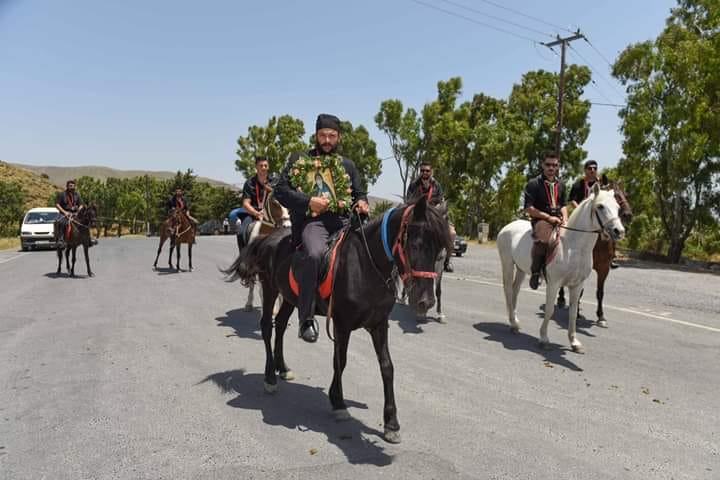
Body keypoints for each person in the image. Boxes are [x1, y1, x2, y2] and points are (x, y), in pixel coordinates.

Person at [274, 113, 369, 343]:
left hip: (342, 222)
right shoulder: (300, 159)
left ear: (339, 137)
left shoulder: (348, 165)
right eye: (323, 135)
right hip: (312, 223)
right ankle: (306, 318)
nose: (327, 140)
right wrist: (308, 202)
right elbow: (280, 190)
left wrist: (363, 203)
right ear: (316, 136)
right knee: (315, 255)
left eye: (332, 136)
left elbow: (359, 193)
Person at [524, 152, 568, 290]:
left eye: (554, 165)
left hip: (558, 219)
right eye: (548, 164)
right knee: (544, 238)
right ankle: (536, 272)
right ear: (543, 165)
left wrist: (565, 219)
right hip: (541, 220)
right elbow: (529, 208)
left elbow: (564, 205)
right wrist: (548, 217)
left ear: (558, 167)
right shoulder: (534, 183)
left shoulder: (561, 184)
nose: (551, 168)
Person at [406, 162, 456, 272]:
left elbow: (441, 201)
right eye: (422, 170)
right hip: (417, 216)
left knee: (452, 233)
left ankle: (447, 260)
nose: (424, 173)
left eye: (427, 171)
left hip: (433, 215)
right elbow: (408, 201)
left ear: (431, 172)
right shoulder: (414, 185)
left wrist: (434, 210)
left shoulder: (437, 185)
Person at [570, 159, 619, 269]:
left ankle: (611, 257)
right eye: (590, 168)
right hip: (581, 214)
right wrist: (580, 210)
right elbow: (572, 200)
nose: (592, 170)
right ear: (585, 170)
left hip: (598, 215)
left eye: (595, 168)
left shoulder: (601, 183)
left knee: (611, 229)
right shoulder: (578, 184)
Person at [237, 156, 272, 249]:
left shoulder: (274, 182)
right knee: (241, 233)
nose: (264, 168)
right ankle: (243, 261)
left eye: (265, 165)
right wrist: (257, 214)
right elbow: (246, 203)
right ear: (256, 167)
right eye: (261, 166)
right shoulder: (249, 183)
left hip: (271, 215)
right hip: (252, 214)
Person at [54, 179, 84, 247]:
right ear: (67, 186)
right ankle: (61, 239)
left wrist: (78, 211)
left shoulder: (77, 195)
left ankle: (87, 238)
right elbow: (57, 205)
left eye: (73, 186)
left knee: (84, 221)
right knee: (61, 222)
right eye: (70, 186)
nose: (72, 187)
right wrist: (65, 212)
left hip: (75, 213)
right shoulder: (61, 194)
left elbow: (81, 205)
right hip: (64, 213)